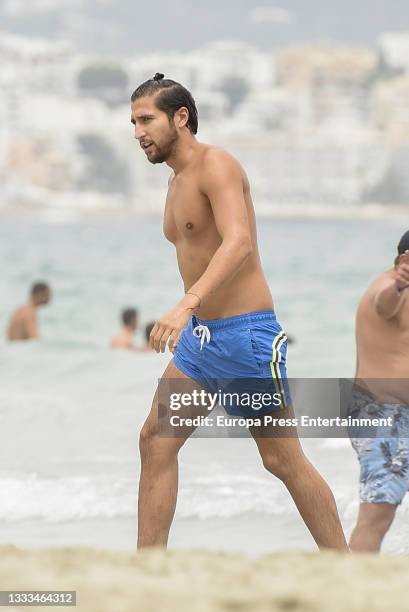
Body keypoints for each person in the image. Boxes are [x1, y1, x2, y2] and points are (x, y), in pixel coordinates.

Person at [131, 73, 348, 551]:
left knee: (281, 459)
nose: (138, 132)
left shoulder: (218, 165)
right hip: (201, 343)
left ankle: (347, 570)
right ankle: (146, 572)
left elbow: (239, 242)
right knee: (155, 440)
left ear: (180, 117)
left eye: (146, 120)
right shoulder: (174, 182)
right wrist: (193, 315)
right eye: (133, 123)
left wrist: (187, 303)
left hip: (246, 338)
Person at [349, 232, 409, 553]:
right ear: (405, 260)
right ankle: (351, 593)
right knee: (376, 515)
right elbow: (384, 303)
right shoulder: (389, 289)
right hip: (385, 417)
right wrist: (399, 284)